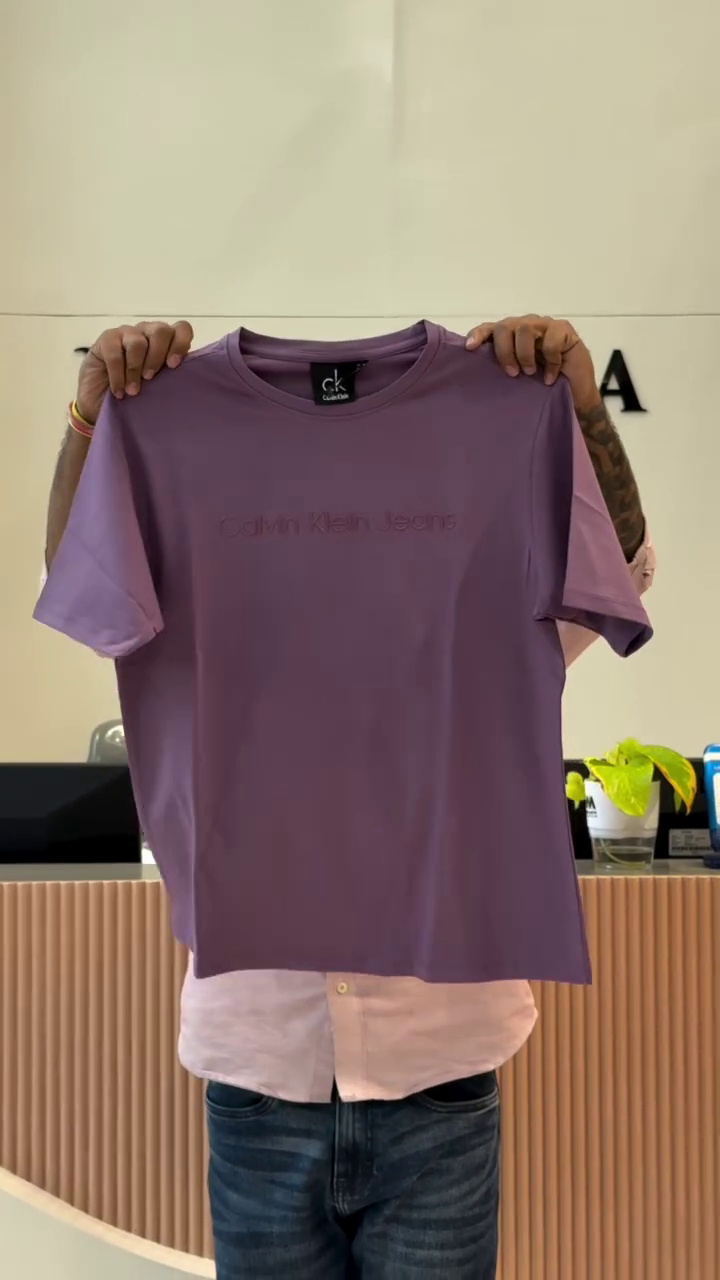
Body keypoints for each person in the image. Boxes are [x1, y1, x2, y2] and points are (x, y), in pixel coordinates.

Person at [43, 313, 653, 1279]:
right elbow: (83, 582)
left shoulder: (503, 424)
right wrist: (92, 424)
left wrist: (580, 407)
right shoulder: (170, 423)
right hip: (260, 1063)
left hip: (439, 1065)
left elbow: (618, 569)